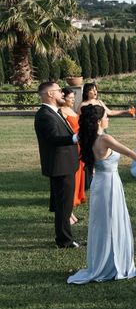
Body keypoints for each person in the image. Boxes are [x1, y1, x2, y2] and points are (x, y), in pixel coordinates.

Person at [68, 104, 136, 284]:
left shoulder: (86, 137)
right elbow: (130, 153)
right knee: (112, 220)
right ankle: (111, 263)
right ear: (98, 121)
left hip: (99, 183)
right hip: (109, 184)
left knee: (102, 223)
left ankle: (103, 261)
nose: (108, 118)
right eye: (105, 116)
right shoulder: (104, 139)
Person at [34, 82, 81, 248]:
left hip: (64, 164)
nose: (63, 93)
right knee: (64, 206)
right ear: (50, 94)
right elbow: (53, 138)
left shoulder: (54, 112)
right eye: (59, 91)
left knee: (64, 205)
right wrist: (76, 138)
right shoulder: (44, 115)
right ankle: (65, 241)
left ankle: (65, 238)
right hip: (60, 166)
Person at [60, 87, 85, 224]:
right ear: (63, 98)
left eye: (74, 98)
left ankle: (72, 208)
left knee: (78, 176)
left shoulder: (72, 110)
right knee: (71, 179)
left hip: (79, 146)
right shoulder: (61, 112)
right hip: (71, 147)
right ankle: (68, 211)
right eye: (71, 98)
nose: (73, 100)